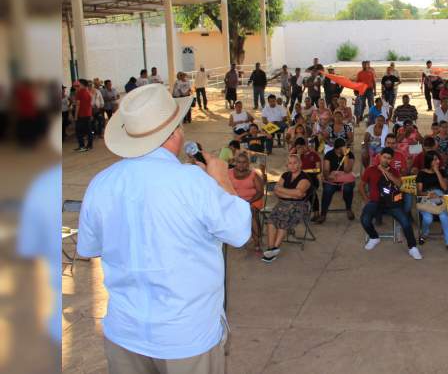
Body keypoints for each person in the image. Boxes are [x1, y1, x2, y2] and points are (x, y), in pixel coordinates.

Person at [77, 84, 250, 374]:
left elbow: (89, 248)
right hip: (185, 336)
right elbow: (239, 231)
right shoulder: (194, 182)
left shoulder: (101, 183)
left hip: (125, 332)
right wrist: (222, 180)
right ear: (174, 132)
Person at [359, 147, 422, 260]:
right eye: (384, 157)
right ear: (379, 157)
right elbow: (361, 185)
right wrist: (366, 198)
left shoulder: (394, 171)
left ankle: (412, 247)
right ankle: (374, 237)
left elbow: (399, 185)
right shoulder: (370, 169)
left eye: (389, 158)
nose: (386, 160)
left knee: (406, 222)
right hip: (375, 202)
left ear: (391, 160)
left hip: (392, 203)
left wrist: (386, 172)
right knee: (364, 219)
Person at [261, 154, 312, 264]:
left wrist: (284, 191)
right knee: (271, 221)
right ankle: (271, 249)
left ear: (300, 164)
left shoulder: (305, 178)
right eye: (290, 163)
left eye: (295, 162)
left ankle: (274, 249)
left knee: (283, 221)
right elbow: (276, 190)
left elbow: (299, 194)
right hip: (282, 204)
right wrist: (292, 194)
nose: (292, 165)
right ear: (287, 165)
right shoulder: (285, 175)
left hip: (299, 206)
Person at [416, 152, 448, 253]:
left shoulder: (442, 171)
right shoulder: (421, 173)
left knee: (443, 216)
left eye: (438, 159)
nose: (438, 161)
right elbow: (419, 192)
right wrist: (429, 194)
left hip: (439, 197)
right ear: (429, 161)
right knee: (428, 219)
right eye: (435, 159)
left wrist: (437, 171)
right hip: (426, 198)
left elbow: (444, 188)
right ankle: (424, 233)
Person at [228, 153, 265, 251]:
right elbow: (224, 189)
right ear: (235, 163)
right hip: (235, 201)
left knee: (251, 213)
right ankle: (238, 238)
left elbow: (260, 192)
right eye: (239, 162)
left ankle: (257, 241)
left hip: (253, 200)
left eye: (244, 162)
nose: (241, 164)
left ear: (248, 163)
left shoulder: (254, 174)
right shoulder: (228, 173)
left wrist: (248, 202)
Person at [319, 138, 357, 223]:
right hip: (331, 180)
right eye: (341, 149)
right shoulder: (329, 154)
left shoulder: (350, 155)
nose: (343, 150)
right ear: (336, 149)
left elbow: (347, 170)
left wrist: (346, 156)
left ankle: (348, 208)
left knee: (348, 189)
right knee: (327, 190)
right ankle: (323, 213)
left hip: (345, 180)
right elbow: (325, 170)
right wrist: (328, 177)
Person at [73, 79, 93, 152]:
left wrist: (75, 116)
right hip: (88, 114)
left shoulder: (79, 92)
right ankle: (89, 145)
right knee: (88, 130)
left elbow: (78, 105)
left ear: (81, 84)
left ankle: (82, 146)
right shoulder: (88, 92)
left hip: (81, 115)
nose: (77, 84)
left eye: (78, 83)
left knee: (78, 131)